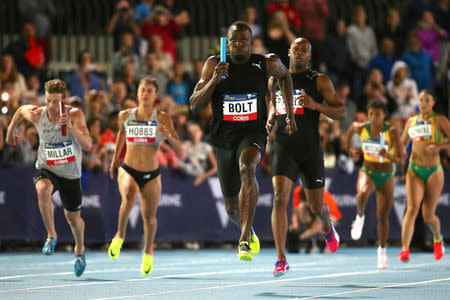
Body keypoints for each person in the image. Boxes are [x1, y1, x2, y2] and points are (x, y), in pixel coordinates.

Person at [189, 21, 296, 262]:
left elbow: (286, 77)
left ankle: (244, 240)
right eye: (234, 40)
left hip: (253, 133)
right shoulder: (215, 64)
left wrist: (288, 113)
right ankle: (248, 229)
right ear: (226, 41)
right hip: (224, 136)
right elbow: (194, 105)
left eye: (243, 41)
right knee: (231, 208)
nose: (238, 45)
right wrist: (214, 81)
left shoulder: (263, 63)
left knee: (248, 167)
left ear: (251, 43)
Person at [267, 37, 345, 277]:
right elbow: (274, 103)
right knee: (279, 198)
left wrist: (314, 105)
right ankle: (281, 258)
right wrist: (270, 118)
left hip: (310, 149)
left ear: (309, 56)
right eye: (296, 49)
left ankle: (326, 223)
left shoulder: (319, 80)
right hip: (284, 147)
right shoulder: (275, 79)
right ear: (289, 52)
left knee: (316, 206)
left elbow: (340, 111)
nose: (299, 52)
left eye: (304, 50)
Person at [5, 79, 92, 277]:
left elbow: (88, 146)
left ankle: (80, 250)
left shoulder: (75, 114)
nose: (52, 106)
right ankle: (51, 236)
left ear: (65, 100)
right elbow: (19, 112)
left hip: (70, 173)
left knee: (74, 219)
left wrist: (71, 127)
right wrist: (11, 133)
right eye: (49, 100)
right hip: (47, 168)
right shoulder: (38, 114)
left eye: (56, 102)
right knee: (43, 190)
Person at [108, 76, 181, 276]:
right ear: (138, 92)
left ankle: (148, 251)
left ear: (155, 95)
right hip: (129, 168)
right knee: (129, 195)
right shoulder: (124, 115)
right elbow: (121, 134)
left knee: (148, 217)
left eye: (150, 90)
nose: (146, 93)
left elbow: (179, 148)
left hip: (151, 173)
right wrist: (115, 160)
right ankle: (120, 236)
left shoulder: (163, 117)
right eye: (143, 89)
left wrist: (167, 134)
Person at [346, 100, 403, 269]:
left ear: (384, 115)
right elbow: (348, 136)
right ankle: (359, 217)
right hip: (368, 170)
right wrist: (351, 150)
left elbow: (401, 160)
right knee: (362, 192)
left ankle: (382, 251)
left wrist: (388, 155)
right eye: (371, 114)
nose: (374, 117)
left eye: (377, 114)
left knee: (382, 217)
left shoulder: (391, 132)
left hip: (386, 175)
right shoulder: (360, 127)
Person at [399, 90, 449, 262]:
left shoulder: (440, 120)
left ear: (433, 102)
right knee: (412, 208)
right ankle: (404, 249)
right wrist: (399, 153)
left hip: (434, 170)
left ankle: (437, 238)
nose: (424, 103)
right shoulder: (412, 121)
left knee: (428, 215)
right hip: (414, 169)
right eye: (421, 100)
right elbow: (402, 143)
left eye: (427, 100)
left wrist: (439, 146)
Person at [287, 185, 342, 254]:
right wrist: (295, 225)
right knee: (301, 208)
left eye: (306, 201)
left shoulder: (322, 197)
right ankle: (311, 241)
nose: (305, 203)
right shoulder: (298, 190)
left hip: (330, 217)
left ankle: (325, 241)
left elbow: (317, 226)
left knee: (321, 227)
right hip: (313, 212)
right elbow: (295, 211)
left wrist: (300, 237)